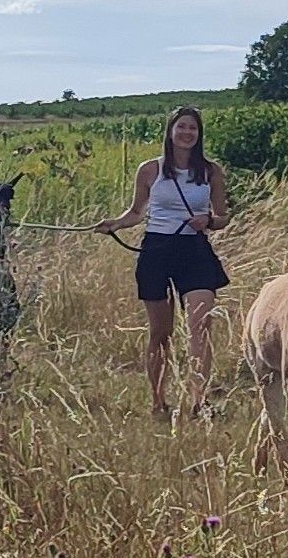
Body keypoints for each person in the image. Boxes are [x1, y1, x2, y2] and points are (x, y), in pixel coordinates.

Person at [94, 106, 233, 420]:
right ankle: (158, 402)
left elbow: (223, 217)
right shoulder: (150, 170)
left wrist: (209, 220)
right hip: (157, 249)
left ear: (199, 135)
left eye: (193, 129)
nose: (187, 133)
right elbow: (136, 213)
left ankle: (199, 402)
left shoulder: (211, 171)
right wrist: (113, 224)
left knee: (201, 327)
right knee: (161, 332)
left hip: (195, 251)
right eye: (181, 127)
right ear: (170, 131)